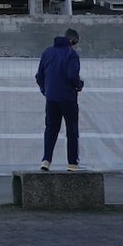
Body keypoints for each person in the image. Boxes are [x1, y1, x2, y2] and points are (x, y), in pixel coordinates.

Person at [35, 27, 84, 171]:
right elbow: (72, 75)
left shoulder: (47, 52)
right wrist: (79, 85)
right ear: (72, 40)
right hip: (68, 98)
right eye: (76, 42)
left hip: (51, 98)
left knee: (51, 129)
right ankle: (72, 163)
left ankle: (46, 160)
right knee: (72, 130)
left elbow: (39, 76)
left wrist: (46, 90)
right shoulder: (71, 54)